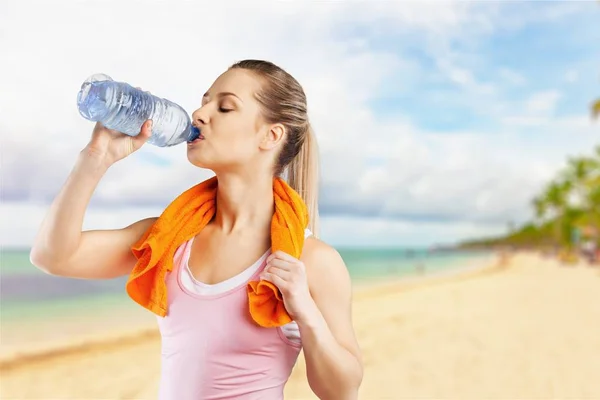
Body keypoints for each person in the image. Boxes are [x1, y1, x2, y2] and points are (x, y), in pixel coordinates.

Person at [30, 59, 363, 399]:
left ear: (270, 135)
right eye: (204, 101)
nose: (200, 114)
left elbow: (341, 391)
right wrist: (95, 157)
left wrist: (306, 312)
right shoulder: (170, 239)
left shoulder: (311, 261)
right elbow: (52, 256)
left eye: (225, 107)